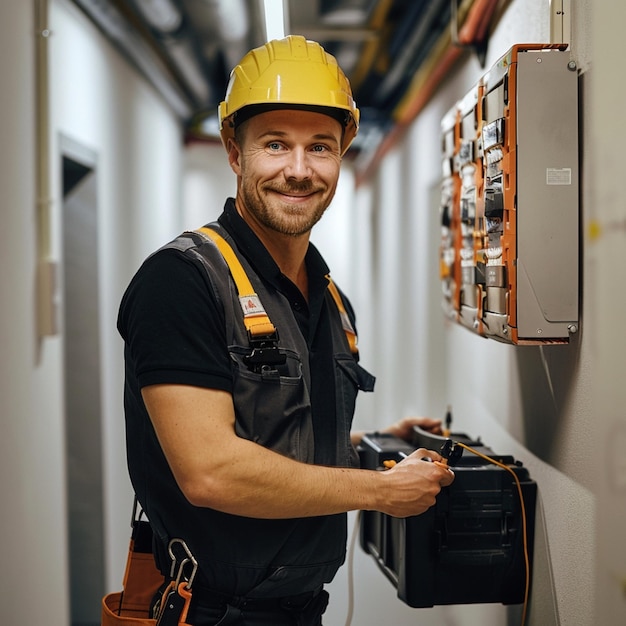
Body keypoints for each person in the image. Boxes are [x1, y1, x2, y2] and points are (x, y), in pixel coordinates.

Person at [117, 35, 454, 626]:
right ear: (233, 152)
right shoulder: (181, 282)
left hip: (301, 609)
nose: (298, 171)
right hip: (212, 614)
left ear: (343, 152)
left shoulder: (327, 297)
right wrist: (379, 493)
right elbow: (211, 472)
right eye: (275, 145)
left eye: (319, 147)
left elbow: (276, 437)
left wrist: (367, 446)